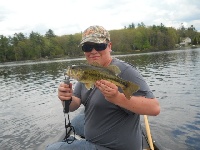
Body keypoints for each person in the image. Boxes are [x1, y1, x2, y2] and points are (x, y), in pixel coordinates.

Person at [46, 25, 160, 150]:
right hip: (96, 136)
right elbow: (74, 105)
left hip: (112, 147)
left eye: (99, 46)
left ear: (109, 46)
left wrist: (117, 98)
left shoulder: (125, 71)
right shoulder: (87, 72)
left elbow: (154, 108)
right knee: (76, 121)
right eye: (88, 47)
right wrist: (66, 99)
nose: (93, 51)